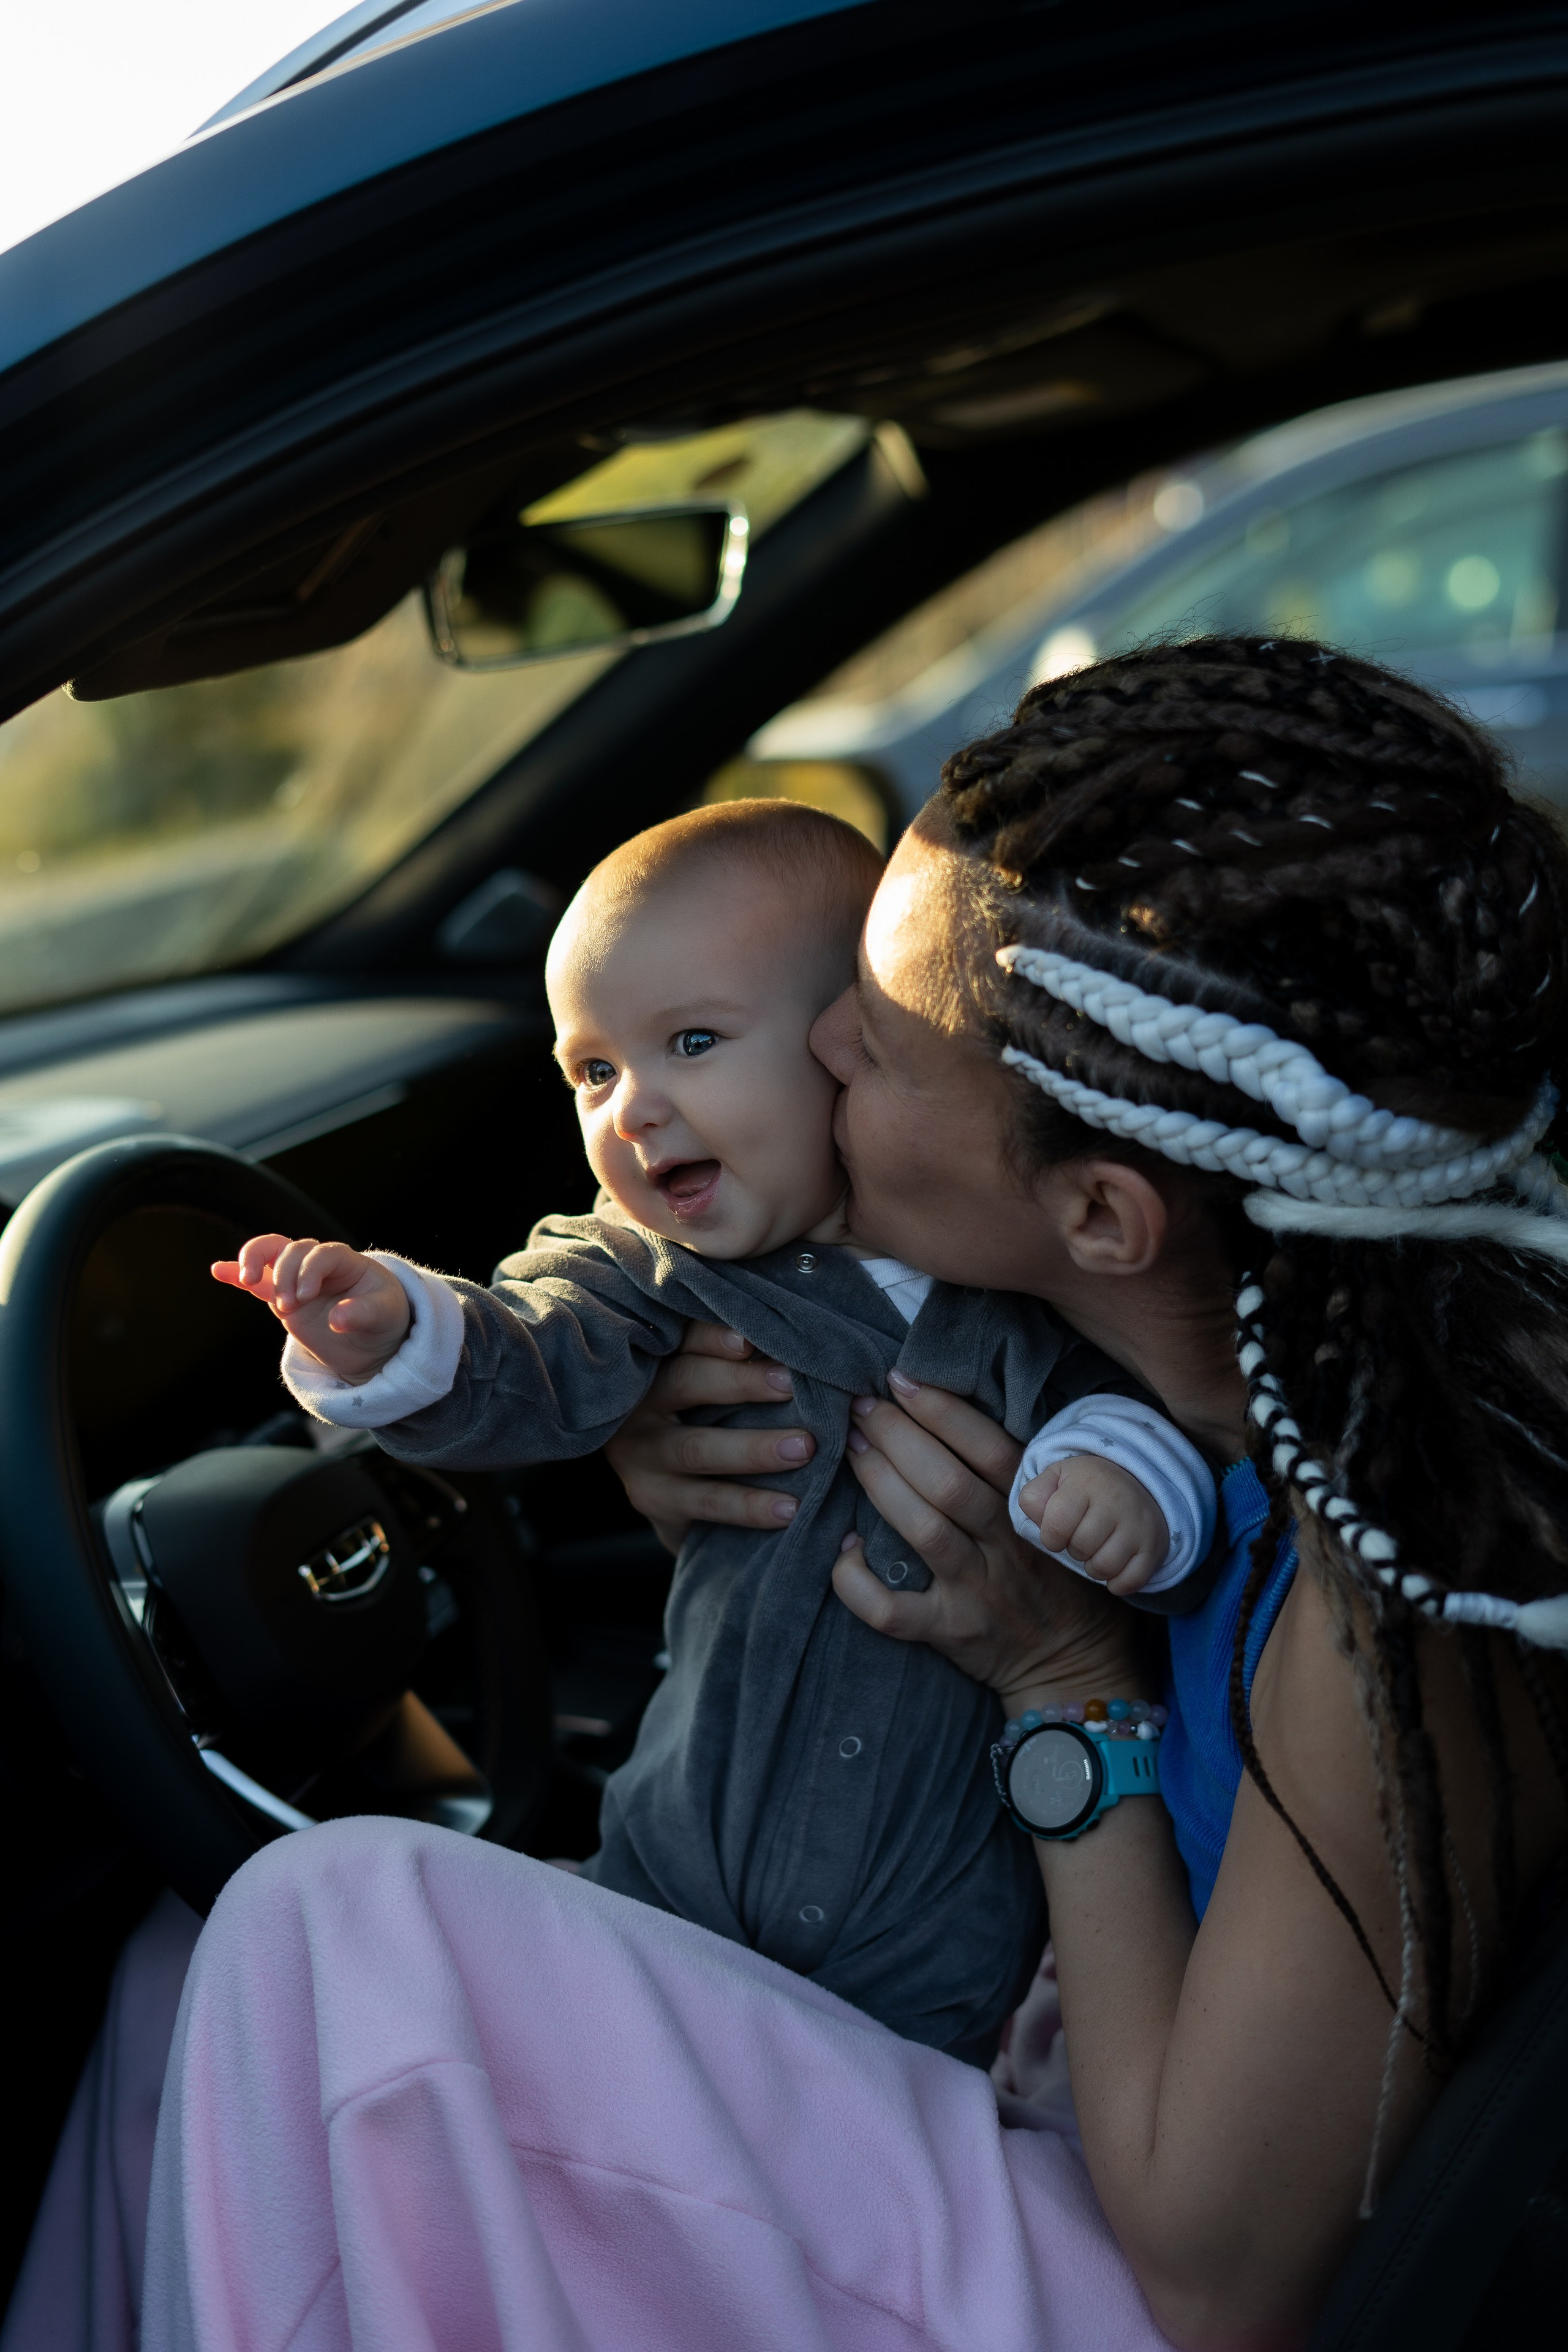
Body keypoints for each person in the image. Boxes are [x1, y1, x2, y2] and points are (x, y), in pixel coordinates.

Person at [16, 636, 1568, 2352]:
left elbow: (1218, 2282)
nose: (820, 1038)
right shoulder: (1191, 1365)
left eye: (881, 1045)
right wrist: (639, 1431)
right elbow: (645, 1321)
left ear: (1104, 1217)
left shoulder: (1392, 1616)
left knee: (331, 1922)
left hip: (1103, 2258)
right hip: (955, 2069)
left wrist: (1066, 1687)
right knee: (189, 1961)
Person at [212, 796, 1213, 2063]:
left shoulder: (997, 1274)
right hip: (670, 1877)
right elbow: (528, 1354)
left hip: (923, 1954)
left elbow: (1111, 1415)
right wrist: (392, 1330)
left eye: (691, 1041)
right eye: (592, 1069)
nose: (629, 1109)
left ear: (850, 1045)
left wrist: (1122, 1486)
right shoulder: (649, 1268)